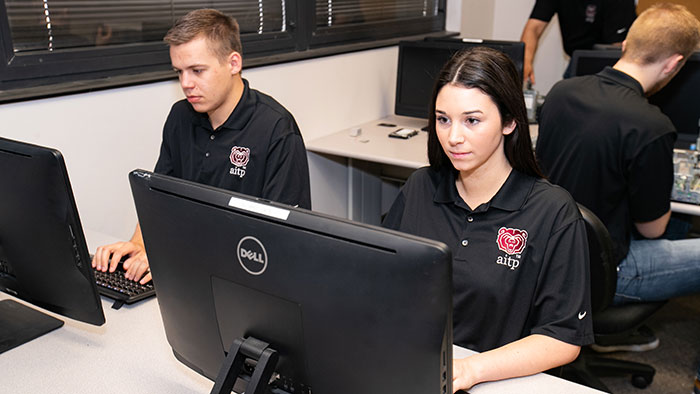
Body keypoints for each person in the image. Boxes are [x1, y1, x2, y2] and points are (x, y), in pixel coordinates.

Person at [382, 46, 593, 392]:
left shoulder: (552, 211)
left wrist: (470, 370)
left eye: (472, 120)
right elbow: (383, 283)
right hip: (416, 368)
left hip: (496, 379)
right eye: (443, 119)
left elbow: (563, 339)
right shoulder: (421, 186)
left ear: (510, 121)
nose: (453, 137)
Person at [92, 9, 311, 284]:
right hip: (188, 271)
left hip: (246, 280)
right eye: (179, 72)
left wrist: (172, 255)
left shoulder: (276, 130)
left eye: (197, 70)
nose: (185, 84)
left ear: (233, 63)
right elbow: (160, 199)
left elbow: (282, 242)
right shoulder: (180, 117)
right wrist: (140, 243)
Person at [536, 2, 700, 333]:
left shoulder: (560, 92)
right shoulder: (652, 126)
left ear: (625, 45)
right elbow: (652, 230)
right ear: (674, 64)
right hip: (602, 271)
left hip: (543, 256)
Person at [520, 0, 637, 84]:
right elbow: (534, 28)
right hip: (577, 59)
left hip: (611, 63)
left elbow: (618, 47)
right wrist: (525, 63)